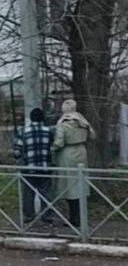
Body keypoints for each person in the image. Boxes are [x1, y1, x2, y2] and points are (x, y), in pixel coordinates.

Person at [52, 98, 94, 230]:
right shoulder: (82, 121)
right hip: (81, 152)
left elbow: (59, 142)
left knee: (69, 187)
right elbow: (93, 135)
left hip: (67, 154)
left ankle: (74, 218)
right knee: (81, 185)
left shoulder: (63, 123)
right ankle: (82, 216)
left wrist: (51, 149)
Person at [13, 106, 56, 226]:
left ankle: (28, 216)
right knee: (46, 193)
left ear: (31, 118)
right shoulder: (49, 131)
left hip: (29, 168)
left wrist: (17, 159)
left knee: (28, 193)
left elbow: (17, 151)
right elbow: (53, 148)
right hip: (45, 167)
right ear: (42, 118)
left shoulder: (23, 131)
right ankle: (47, 217)